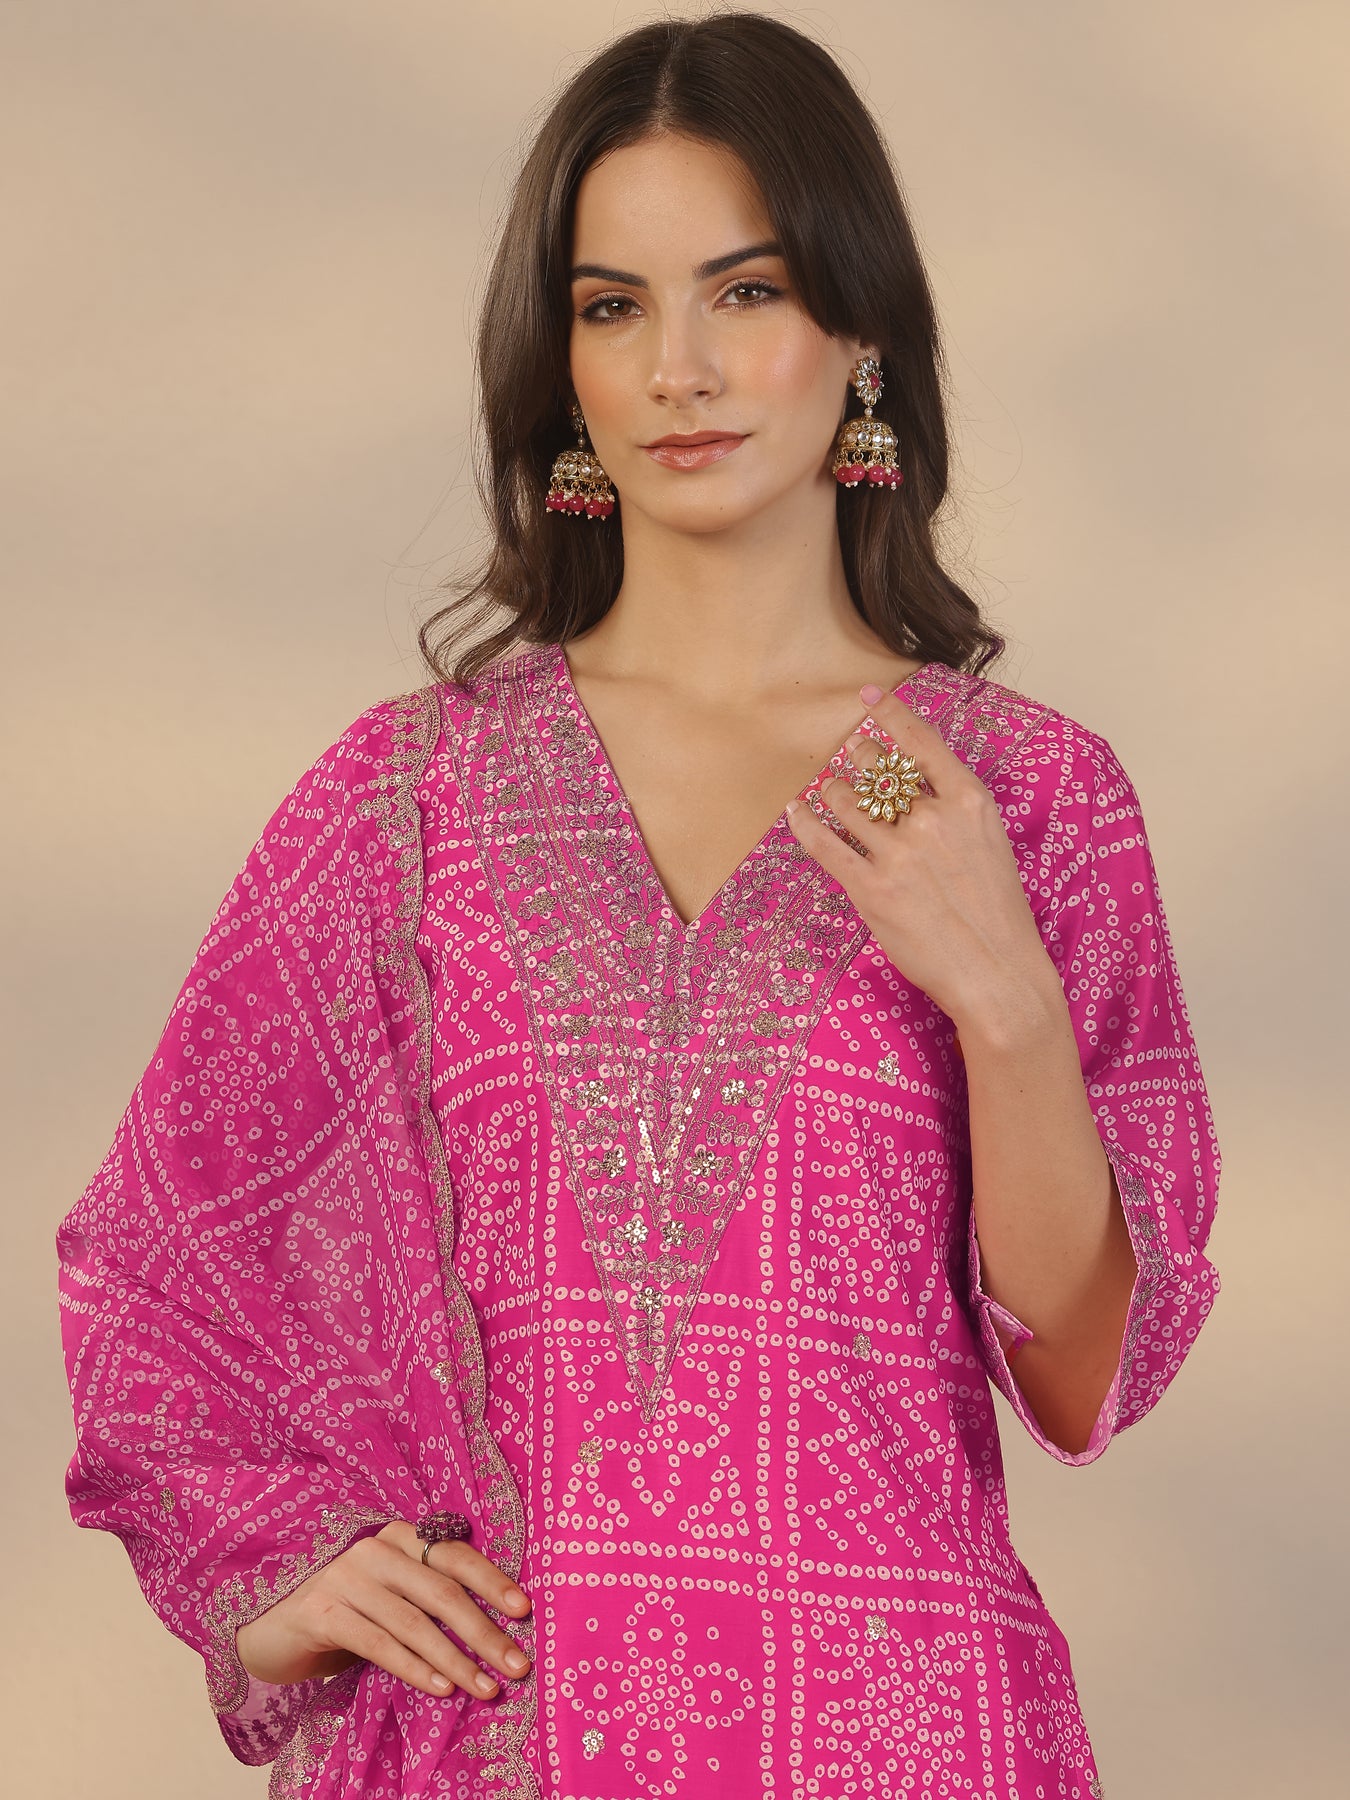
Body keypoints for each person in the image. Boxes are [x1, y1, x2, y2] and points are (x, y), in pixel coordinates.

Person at [56, 13, 1222, 1797]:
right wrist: (279, 1578)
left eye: (744, 292)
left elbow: (1080, 1379)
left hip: (901, 1741)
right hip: (508, 1739)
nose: (679, 367)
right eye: (613, 307)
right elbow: (161, 1259)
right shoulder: (415, 797)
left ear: (860, 332)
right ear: (563, 372)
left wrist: (1004, 1003)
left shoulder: (1004, 793)